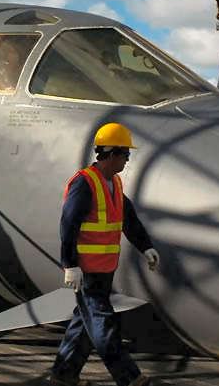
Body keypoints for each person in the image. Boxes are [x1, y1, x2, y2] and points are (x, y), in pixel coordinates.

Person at [49, 123, 161, 386]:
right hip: (86, 271)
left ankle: (63, 375)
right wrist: (70, 264)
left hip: (104, 268)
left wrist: (146, 247)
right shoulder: (84, 183)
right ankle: (129, 377)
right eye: (125, 154)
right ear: (112, 154)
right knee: (103, 323)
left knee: (84, 323)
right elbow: (68, 224)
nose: (127, 160)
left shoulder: (113, 183)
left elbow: (128, 219)